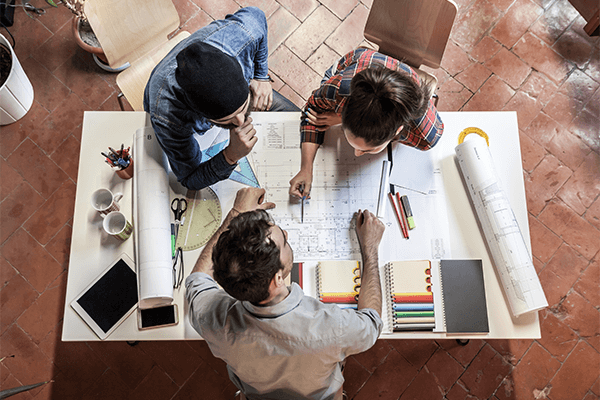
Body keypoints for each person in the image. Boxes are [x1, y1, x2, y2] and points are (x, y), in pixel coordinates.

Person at [185, 187, 385, 399]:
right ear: (278, 278)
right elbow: (371, 323)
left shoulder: (215, 322)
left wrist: (236, 215)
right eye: (284, 241)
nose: (287, 234)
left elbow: (196, 280)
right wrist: (370, 249)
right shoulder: (332, 327)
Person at [144, 7, 299, 190]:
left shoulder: (244, 34)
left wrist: (261, 76)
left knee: (298, 119)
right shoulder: (167, 117)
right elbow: (189, 179)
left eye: (243, 108)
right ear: (201, 115)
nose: (242, 121)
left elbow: (257, 15)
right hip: (173, 109)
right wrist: (230, 156)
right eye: (228, 119)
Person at [289, 47, 444, 198]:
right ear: (343, 109)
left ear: (397, 131)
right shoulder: (338, 88)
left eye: (368, 150)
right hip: (360, 61)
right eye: (343, 128)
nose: (356, 154)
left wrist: (339, 119)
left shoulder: (425, 136)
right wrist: (306, 168)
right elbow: (311, 108)